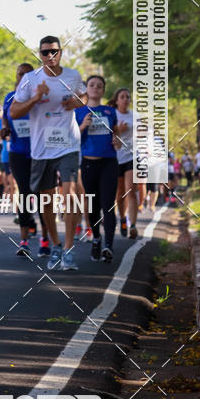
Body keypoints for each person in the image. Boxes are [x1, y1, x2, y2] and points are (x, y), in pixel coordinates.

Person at [10, 35, 85, 271]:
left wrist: (78, 102)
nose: (50, 56)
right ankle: (55, 244)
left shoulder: (72, 75)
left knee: (70, 193)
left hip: (68, 144)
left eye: (54, 51)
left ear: (60, 52)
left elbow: (84, 96)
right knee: (47, 200)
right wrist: (35, 97)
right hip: (42, 149)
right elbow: (13, 112)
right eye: (45, 53)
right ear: (39, 55)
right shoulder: (30, 80)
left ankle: (69, 250)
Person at [2, 63, 50, 257]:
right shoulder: (9, 98)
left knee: (41, 195)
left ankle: (45, 239)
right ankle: (23, 241)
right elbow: (6, 118)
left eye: (27, 74)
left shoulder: (41, 97)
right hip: (18, 152)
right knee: (24, 194)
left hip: (40, 152)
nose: (22, 77)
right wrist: (4, 129)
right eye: (20, 74)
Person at [76, 76, 120, 262]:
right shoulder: (78, 112)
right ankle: (96, 237)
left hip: (108, 162)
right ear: (87, 89)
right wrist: (83, 126)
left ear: (103, 91)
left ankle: (108, 245)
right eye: (92, 85)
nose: (95, 88)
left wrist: (117, 139)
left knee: (108, 204)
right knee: (93, 206)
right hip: (87, 163)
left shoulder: (110, 112)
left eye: (99, 86)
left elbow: (115, 132)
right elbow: (72, 137)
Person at [109, 87, 139, 241]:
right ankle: (122, 219)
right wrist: (118, 130)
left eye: (128, 96)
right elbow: (106, 133)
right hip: (115, 157)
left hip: (131, 156)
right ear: (117, 100)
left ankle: (133, 225)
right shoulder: (112, 114)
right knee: (119, 193)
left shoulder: (135, 116)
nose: (126, 99)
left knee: (131, 190)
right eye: (122, 96)